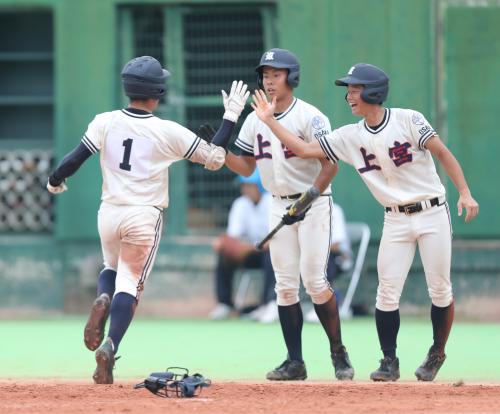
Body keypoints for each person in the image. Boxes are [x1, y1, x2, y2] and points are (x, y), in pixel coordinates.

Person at [251, 62, 479, 382]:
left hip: (432, 213)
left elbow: (443, 154)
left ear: (374, 91)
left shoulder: (409, 119)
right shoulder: (348, 136)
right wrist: (270, 121)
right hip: (395, 219)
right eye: (348, 91)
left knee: (439, 289)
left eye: (355, 90)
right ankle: (389, 361)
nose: (349, 96)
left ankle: (436, 353)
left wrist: (465, 193)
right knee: (386, 293)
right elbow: (303, 149)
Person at [46, 56, 250, 384]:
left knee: (110, 271)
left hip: (109, 212)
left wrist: (55, 179)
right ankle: (111, 344)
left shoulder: (106, 121)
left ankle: (103, 297)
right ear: (157, 92)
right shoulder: (166, 130)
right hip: (143, 216)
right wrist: (230, 116)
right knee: (130, 284)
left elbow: (75, 158)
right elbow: (213, 159)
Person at [214, 48, 354, 381]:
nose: (270, 80)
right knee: (285, 287)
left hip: (313, 202)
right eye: (265, 75)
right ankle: (295, 361)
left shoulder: (311, 117)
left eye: (276, 74)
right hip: (277, 203)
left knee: (316, 281)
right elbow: (246, 165)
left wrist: (307, 200)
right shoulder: (254, 119)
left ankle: (338, 350)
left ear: (291, 77)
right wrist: (220, 151)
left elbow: (330, 165)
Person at [209, 170, 277, 323]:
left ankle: (270, 304)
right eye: (243, 186)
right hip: (249, 252)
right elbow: (233, 236)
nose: (244, 189)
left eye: (248, 186)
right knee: (224, 254)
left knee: (271, 255)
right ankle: (224, 304)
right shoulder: (240, 204)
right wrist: (224, 243)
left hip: (270, 252)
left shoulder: (272, 202)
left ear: (259, 186)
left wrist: (247, 247)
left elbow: (274, 240)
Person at [305, 202, 352, 322]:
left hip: (338, 259)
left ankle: (325, 306)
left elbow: (336, 246)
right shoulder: (306, 211)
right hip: (313, 256)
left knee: (322, 258)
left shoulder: (335, 210)